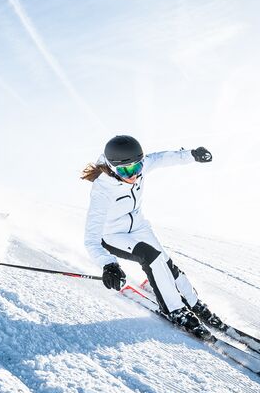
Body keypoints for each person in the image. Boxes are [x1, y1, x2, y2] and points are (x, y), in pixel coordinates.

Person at [82, 135, 219, 338]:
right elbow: (91, 239)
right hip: (113, 235)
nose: (133, 175)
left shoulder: (139, 167)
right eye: (125, 171)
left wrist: (191, 155)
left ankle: (193, 302)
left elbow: (164, 158)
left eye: (137, 168)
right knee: (151, 257)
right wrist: (108, 264)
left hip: (138, 226)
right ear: (111, 168)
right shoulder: (102, 191)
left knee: (165, 262)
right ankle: (175, 310)